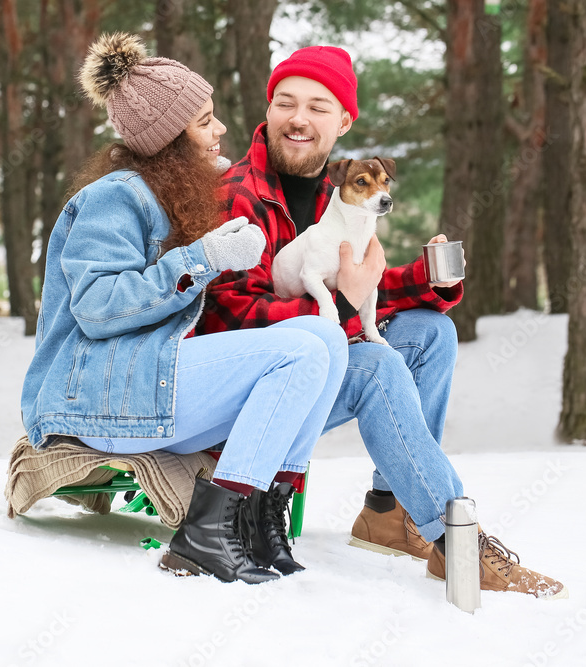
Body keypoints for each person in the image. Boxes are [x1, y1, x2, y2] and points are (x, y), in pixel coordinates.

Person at [199, 45, 565, 598]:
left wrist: (426, 280)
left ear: (344, 121)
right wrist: (344, 306)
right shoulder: (236, 194)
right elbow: (231, 319)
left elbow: (362, 287)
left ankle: (390, 512)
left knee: (430, 331)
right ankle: (457, 540)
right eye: (285, 103)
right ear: (268, 110)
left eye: (319, 107)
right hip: (250, 397)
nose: (299, 118)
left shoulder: (346, 189)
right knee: (372, 364)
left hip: (318, 361)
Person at [20, 33, 349, 584]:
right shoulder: (114, 197)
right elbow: (99, 308)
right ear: (169, 139)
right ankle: (205, 535)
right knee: (299, 350)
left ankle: (263, 516)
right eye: (204, 121)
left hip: (137, 385)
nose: (221, 130)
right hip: (90, 397)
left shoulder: (177, 195)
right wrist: (203, 258)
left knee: (327, 338)